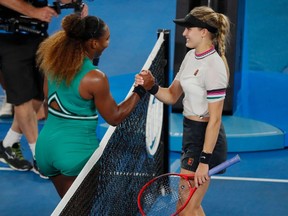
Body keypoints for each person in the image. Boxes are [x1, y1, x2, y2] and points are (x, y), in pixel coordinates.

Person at [35, 13, 150, 198]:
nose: (108, 43)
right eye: (107, 39)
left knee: (68, 208)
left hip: (45, 148)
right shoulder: (95, 78)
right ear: (94, 44)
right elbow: (115, 117)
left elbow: (48, 105)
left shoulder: (52, 66)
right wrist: (141, 90)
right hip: (76, 152)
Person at [135, 6, 230, 215]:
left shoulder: (214, 66)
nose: (184, 32)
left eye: (189, 28)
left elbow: (214, 119)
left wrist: (204, 162)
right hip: (191, 134)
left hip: (205, 138)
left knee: (186, 205)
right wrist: (150, 86)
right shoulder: (190, 57)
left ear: (204, 31)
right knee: (187, 205)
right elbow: (171, 96)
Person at [0, 0, 88, 177]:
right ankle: (40, 158)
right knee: (22, 99)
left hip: (36, 35)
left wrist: (75, 3)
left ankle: (8, 143)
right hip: (8, 39)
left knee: (38, 96)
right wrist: (33, 11)